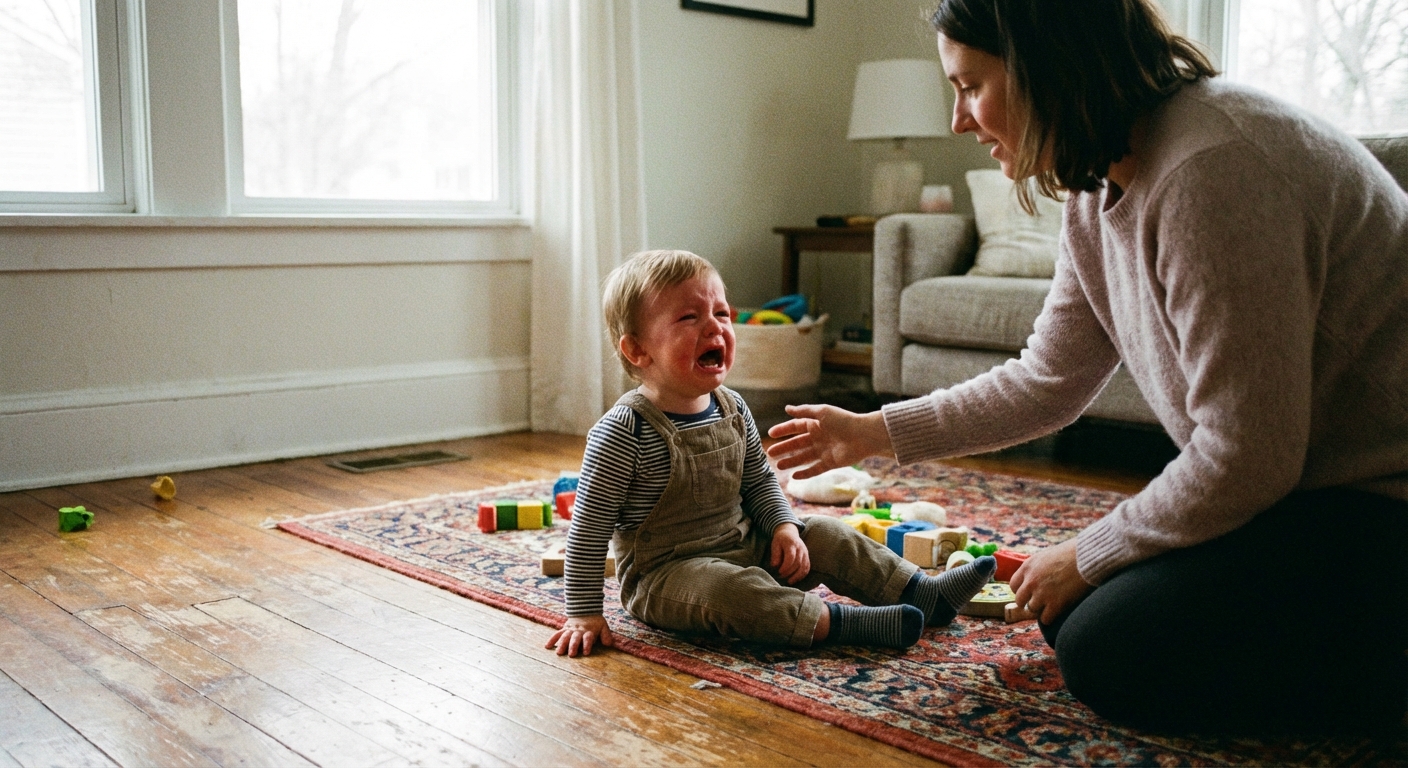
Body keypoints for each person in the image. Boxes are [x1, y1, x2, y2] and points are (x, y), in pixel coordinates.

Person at [767, 0, 1406, 735]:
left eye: (972, 86)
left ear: (1046, 67)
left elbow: (1249, 455)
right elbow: (1048, 380)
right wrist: (871, 432)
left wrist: (1086, 552)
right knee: (1069, 616)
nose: (958, 120)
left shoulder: (1212, 171)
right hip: (1301, 489)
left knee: (1111, 649)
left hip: (1381, 499)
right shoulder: (1095, 184)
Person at [544, 249, 995, 657]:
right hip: (670, 578)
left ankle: (921, 594)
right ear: (638, 349)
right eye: (689, 317)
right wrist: (583, 612)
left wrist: (782, 527)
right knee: (733, 592)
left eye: (721, 312)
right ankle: (840, 624)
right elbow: (587, 529)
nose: (715, 326)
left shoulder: (733, 407)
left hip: (745, 546)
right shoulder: (624, 432)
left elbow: (759, 481)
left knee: (823, 532)